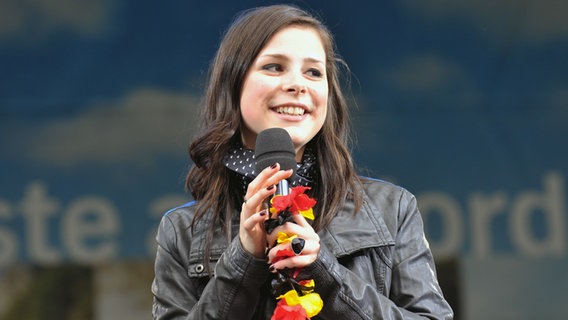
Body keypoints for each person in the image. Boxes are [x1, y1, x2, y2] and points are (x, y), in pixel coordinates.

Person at [151, 4, 453, 320]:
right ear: (234, 81)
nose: (298, 84)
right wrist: (243, 260)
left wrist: (324, 271)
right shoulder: (182, 231)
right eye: (274, 67)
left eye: (313, 72)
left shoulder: (392, 209)